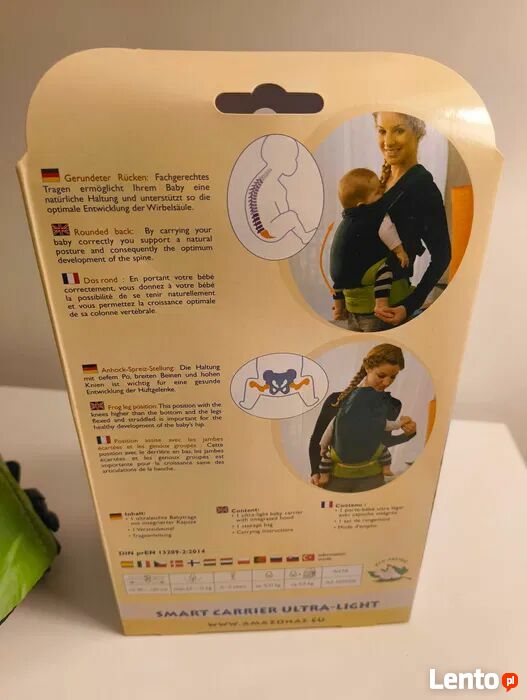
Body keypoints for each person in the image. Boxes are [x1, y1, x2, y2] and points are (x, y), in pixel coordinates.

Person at [331, 112, 451, 330]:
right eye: (382, 131)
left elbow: (442, 256)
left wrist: (409, 305)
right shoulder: (376, 184)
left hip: (387, 312)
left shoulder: (423, 188)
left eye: (398, 130)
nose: (388, 141)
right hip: (353, 311)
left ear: (418, 132)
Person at [309, 344, 416, 493]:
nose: (387, 383)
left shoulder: (392, 404)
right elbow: (318, 439)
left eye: (393, 377)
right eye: (381, 375)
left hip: (373, 479)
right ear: (368, 368)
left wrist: (409, 434)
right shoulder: (337, 400)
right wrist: (315, 471)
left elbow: (383, 442)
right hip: (335, 479)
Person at [330, 168, 409, 331]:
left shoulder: (345, 222)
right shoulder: (375, 215)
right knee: (384, 270)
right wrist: (400, 251)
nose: (382, 195)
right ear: (362, 205)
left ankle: (338, 308)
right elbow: (388, 231)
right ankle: (381, 304)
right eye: (377, 193)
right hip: (364, 277)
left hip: (339, 274)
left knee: (338, 283)